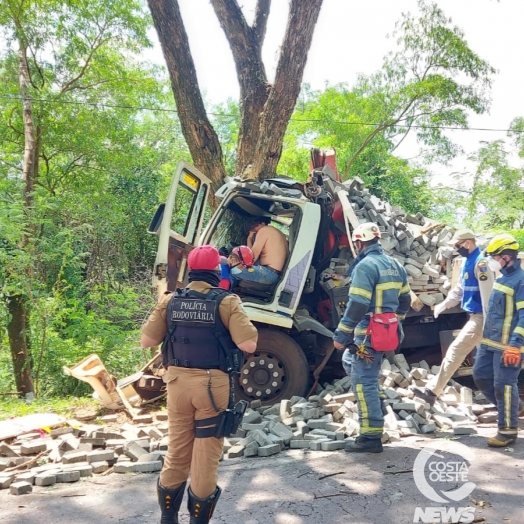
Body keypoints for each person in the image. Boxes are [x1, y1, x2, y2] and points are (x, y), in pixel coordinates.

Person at [140, 245, 258, 523]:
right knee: (205, 457)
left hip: (178, 386)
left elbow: (146, 341)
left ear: (190, 270)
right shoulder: (226, 301)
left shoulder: (170, 300)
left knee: (178, 450)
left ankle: (168, 517)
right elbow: (248, 343)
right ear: (217, 271)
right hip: (211, 389)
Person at [332, 222, 411, 453]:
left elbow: (358, 303)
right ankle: (376, 405)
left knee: (363, 380)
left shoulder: (365, 266)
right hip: (387, 333)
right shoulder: (396, 265)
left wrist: (341, 333)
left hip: (367, 335)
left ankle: (370, 437)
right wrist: (394, 322)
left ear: (359, 242)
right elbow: (405, 301)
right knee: (352, 364)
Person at [414, 229, 494, 406]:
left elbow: (488, 297)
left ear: (467, 243)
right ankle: (511, 404)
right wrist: (444, 305)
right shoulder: (468, 262)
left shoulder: (481, 264)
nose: (456, 249)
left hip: (482, 318)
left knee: (456, 350)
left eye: (458, 245)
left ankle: (432, 391)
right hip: (475, 316)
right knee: (483, 367)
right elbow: (459, 290)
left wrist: (490, 325)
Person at [473, 234, 524, 447]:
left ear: (506, 257)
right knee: (480, 375)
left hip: (508, 346)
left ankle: (507, 431)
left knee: (503, 385)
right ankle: (514, 407)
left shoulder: (520, 281)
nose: (491, 261)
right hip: (490, 343)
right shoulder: (502, 278)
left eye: (494, 256)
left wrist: (516, 344)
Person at [229, 216, 288, 287]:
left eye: (254, 229)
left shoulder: (264, 230)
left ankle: (225, 294)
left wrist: (249, 238)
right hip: (273, 273)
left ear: (262, 223)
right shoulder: (278, 232)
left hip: (268, 273)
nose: (255, 232)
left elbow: (251, 258)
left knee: (233, 271)